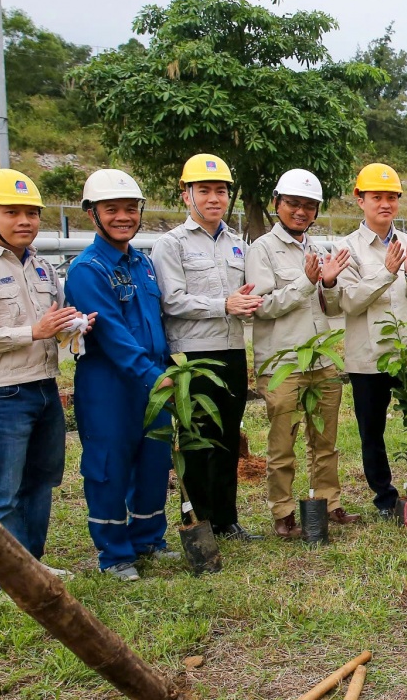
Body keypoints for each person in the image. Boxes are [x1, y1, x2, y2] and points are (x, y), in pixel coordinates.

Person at [0, 169, 94, 589]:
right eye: (12, 212)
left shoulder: (42, 268)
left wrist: (75, 326)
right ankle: (5, 581)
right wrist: (33, 332)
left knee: (40, 482)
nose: (25, 221)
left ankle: (32, 567)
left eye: (31, 213)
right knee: (3, 492)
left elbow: (54, 325)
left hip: (44, 387)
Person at [65, 169, 175, 581]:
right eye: (111, 209)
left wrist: (167, 370)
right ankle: (114, 553)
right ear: (92, 213)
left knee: (153, 461)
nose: (123, 217)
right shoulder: (87, 270)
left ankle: (148, 539)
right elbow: (111, 333)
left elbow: (157, 323)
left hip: (153, 379)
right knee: (108, 465)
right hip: (109, 386)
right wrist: (154, 375)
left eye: (131, 208)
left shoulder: (143, 263)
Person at [151, 154, 262, 541]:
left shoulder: (237, 245)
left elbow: (246, 294)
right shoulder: (171, 245)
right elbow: (172, 301)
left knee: (229, 436)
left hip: (232, 350)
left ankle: (226, 519)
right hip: (192, 356)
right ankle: (198, 520)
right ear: (186, 195)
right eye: (204, 190)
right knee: (197, 438)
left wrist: (250, 302)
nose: (214, 198)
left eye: (221, 191)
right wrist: (224, 304)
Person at [245, 168, 360, 539]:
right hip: (283, 365)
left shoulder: (318, 249)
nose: (300, 211)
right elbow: (261, 306)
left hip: (321, 360)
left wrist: (328, 282)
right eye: (293, 203)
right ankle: (283, 512)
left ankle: (329, 502)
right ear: (277, 203)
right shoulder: (262, 249)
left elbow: (331, 308)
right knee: (283, 442)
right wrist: (307, 281)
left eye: (309, 206)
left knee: (325, 440)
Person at [335, 163, 407, 518]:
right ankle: (384, 498)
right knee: (372, 430)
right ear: (360, 200)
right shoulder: (347, 248)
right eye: (376, 197)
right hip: (368, 357)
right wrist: (387, 272)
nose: (385, 204)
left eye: (391, 197)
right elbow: (349, 301)